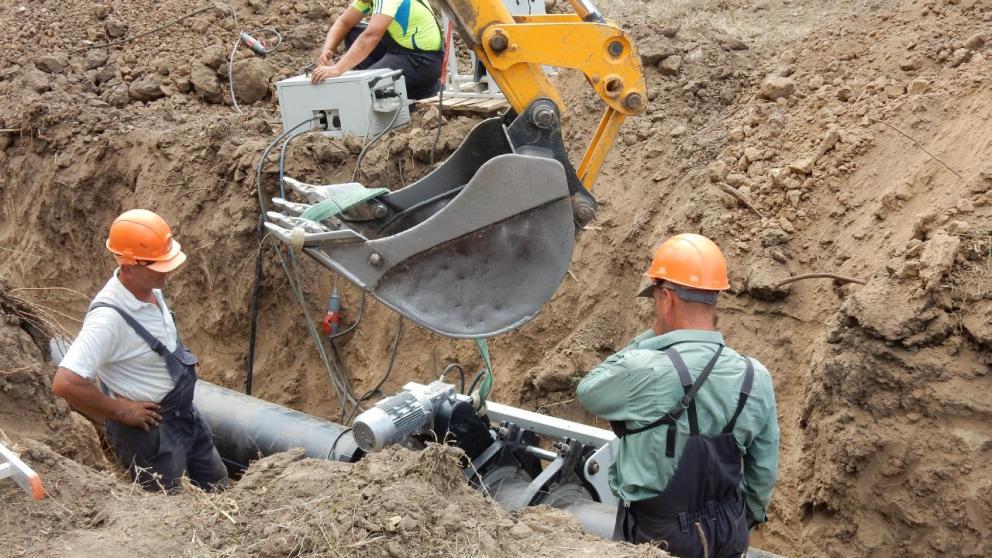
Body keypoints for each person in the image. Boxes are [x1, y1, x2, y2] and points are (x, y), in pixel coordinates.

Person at [576, 233, 779, 557]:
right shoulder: (756, 375)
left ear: (667, 298)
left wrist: (651, 337)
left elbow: (588, 391)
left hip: (659, 537)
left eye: (656, 299)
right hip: (729, 533)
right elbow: (762, 474)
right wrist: (741, 524)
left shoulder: (644, 367)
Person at [52, 209, 227, 493]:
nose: (168, 270)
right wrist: (121, 411)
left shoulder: (149, 287)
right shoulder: (108, 319)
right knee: (170, 508)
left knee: (217, 483)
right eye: (159, 265)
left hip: (184, 416)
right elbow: (65, 382)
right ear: (128, 264)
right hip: (150, 433)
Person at [310, 0, 444, 100]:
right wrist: (327, 51)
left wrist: (338, 69)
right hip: (400, 49)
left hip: (421, 60)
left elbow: (372, 36)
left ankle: (420, 90)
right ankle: (378, 89)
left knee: (360, 91)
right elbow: (344, 22)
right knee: (353, 32)